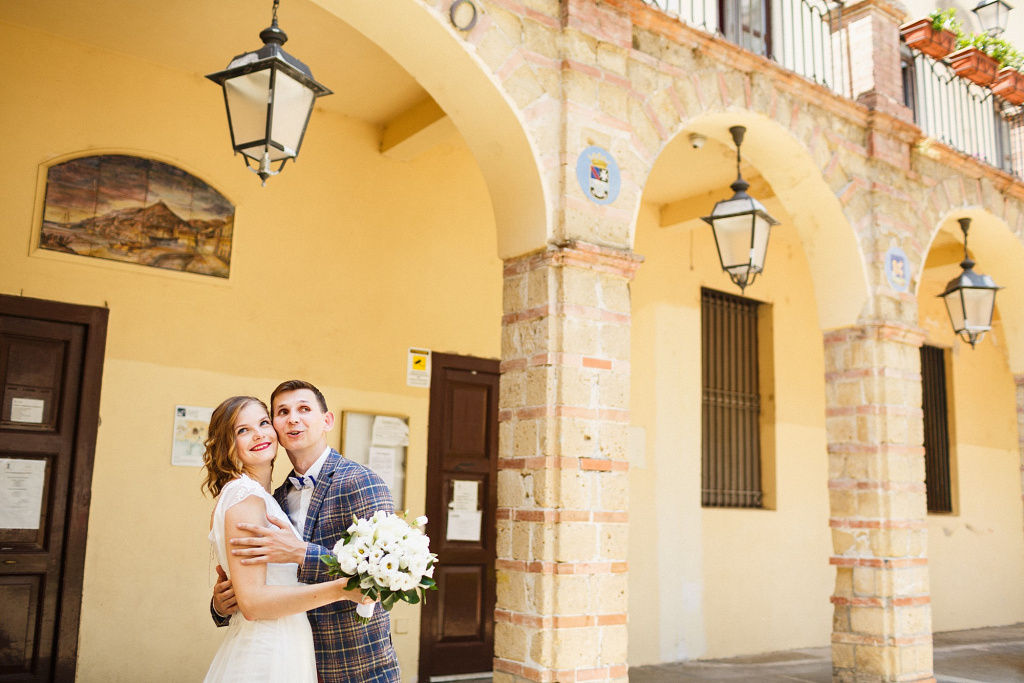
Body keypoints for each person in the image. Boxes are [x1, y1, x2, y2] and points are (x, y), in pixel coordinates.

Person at [211, 381, 401, 682]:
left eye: (304, 409)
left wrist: (301, 553)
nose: (293, 419)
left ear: (327, 420)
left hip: (355, 666)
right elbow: (260, 588)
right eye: (282, 412)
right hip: (291, 657)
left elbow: (384, 577)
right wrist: (221, 606)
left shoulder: (361, 481)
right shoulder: (273, 498)